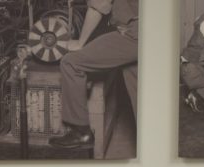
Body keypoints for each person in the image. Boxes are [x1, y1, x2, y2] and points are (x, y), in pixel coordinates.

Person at [49, 0, 138, 150]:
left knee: (71, 63)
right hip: (152, 31)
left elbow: (98, 7)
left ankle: (81, 132)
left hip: (133, 34)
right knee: (137, 86)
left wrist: (80, 43)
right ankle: (154, 144)